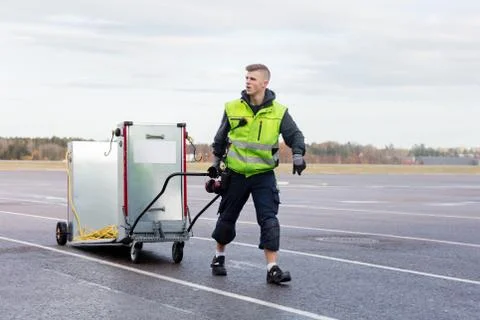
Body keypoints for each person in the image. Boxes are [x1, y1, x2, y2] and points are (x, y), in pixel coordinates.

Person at [208, 63, 306, 285]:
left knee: (269, 221)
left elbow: (295, 135)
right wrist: (215, 165)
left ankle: (272, 269)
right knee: (226, 219)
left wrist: (298, 154)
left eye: (252, 78)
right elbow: (220, 138)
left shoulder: (279, 112)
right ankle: (218, 257)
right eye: (246, 78)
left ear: (265, 83)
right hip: (236, 174)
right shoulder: (233, 108)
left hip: (263, 175)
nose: (248, 81)